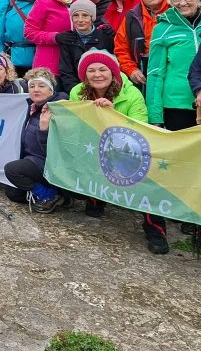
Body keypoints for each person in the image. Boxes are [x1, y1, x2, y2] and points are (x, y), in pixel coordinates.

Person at [69, 50, 158, 251]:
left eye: (103, 69)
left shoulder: (131, 94)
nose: (97, 74)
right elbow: (74, 125)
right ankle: (95, 199)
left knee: (149, 177)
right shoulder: (77, 92)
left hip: (126, 150)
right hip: (94, 146)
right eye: (91, 70)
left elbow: (141, 130)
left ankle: (155, 229)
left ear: (113, 72)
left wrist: (112, 116)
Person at [147, 0, 201, 130]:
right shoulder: (162, 28)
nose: (182, 3)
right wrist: (155, 116)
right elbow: (155, 73)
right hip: (176, 106)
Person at [2, 67, 68, 211]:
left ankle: (51, 195)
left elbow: (56, 152)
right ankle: (58, 195)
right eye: (32, 86)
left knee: (12, 170)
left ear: (51, 90)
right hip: (33, 159)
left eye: (41, 86)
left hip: (49, 164)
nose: (36, 89)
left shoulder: (57, 110)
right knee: (13, 193)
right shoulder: (33, 107)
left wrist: (44, 130)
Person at [114, 0, 170, 91]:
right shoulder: (132, 17)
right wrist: (131, 70)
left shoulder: (175, 14)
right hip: (141, 79)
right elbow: (120, 48)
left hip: (171, 77)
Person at [23, 0, 79, 75]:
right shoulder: (43, 2)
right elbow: (29, 32)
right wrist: (54, 37)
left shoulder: (80, 1)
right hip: (48, 66)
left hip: (73, 64)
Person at [56, 0, 115, 95]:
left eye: (85, 15)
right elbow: (66, 71)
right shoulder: (67, 39)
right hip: (78, 91)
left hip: (103, 89)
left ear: (92, 17)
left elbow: (112, 68)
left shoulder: (105, 37)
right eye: (76, 15)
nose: (80, 20)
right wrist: (77, 93)